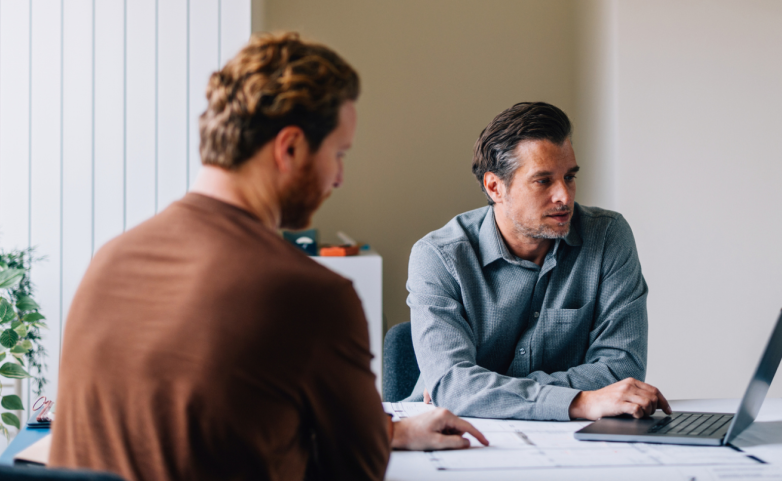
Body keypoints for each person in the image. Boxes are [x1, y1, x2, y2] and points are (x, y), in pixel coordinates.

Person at [49, 32, 486, 481]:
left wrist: (393, 430)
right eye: (338, 154)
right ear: (290, 147)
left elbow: (201, 425)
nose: (338, 177)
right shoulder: (311, 294)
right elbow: (355, 471)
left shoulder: (110, 260)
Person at [405, 102, 671, 421]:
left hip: (570, 437)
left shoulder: (607, 237)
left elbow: (621, 369)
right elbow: (454, 387)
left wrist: (485, 390)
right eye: (543, 181)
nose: (564, 196)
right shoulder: (439, 257)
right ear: (495, 187)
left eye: (569, 177)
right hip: (458, 429)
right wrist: (578, 401)